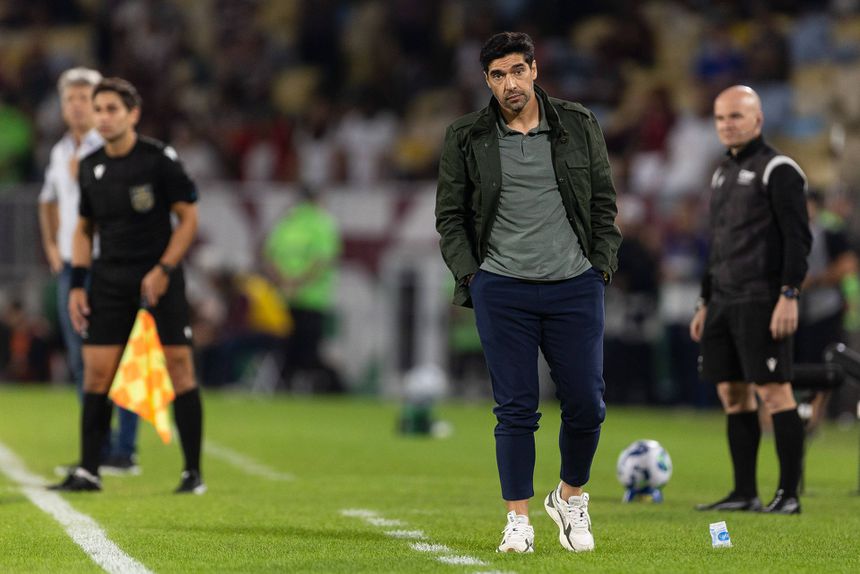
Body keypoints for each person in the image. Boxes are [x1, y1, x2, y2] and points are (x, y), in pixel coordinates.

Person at [435, 32, 621, 553]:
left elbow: (603, 202)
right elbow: (449, 217)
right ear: (486, 81)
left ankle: (569, 497)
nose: (509, 84)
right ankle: (518, 520)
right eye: (497, 75)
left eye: (517, 71)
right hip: (503, 288)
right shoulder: (465, 136)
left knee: (587, 403)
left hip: (574, 286)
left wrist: (599, 267)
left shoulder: (578, 124)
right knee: (515, 408)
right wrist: (474, 276)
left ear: (535, 70)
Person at [49, 77, 205, 494]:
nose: (103, 117)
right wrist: (78, 284)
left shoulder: (159, 160)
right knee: (97, 374)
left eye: (112, 109)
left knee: (179, 368)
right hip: (110, 277)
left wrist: (164, 269)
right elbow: (84, 229)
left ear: (133, 114)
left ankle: (193, 473)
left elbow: (188, 218)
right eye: (99, 109)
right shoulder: (90, 166)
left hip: (159, 275)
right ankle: (89, 470)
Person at [690, 85, 811, 515]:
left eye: (736, 116)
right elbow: (718, 244)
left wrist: (789, 294)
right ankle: (745, 493)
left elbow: (798, 240)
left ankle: (789, 495)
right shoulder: (721, 172)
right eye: (721, 118)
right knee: (733, 394)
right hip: (723, 299)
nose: (728, 125)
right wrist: (704, 302)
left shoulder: (779, 169)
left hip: (763, 299)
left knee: (776, 394)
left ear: (757, 119)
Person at [38, 67, 142, 475]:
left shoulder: (114, 146)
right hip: (72, 269)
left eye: (86, 98)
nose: (78, 106)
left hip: (112, 264)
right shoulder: (62, 150)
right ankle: (96, 449)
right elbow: (47, 199)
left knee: (121, 358)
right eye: (71, 99)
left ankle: (126, 449)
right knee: (83, 362)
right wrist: (51, 244)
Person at [263, 185, 342, 393]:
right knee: (309, 352)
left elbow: (269, 256)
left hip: (284, 298)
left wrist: (284, 283)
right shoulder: (322, 223)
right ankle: (316, 390)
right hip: (313, 299)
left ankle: (285, 389)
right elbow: (322, 261)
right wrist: (297, 284)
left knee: (286, 351)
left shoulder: (286, 223)